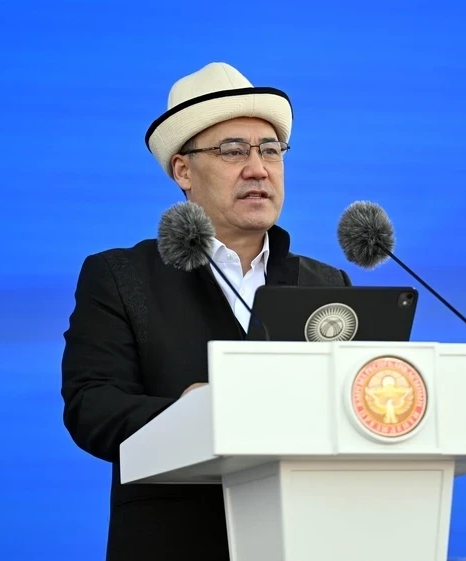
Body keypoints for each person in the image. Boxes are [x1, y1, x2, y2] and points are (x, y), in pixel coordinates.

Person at [60, 62, 352, 561]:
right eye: (233, 151)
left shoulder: (326, 285)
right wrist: (189, 413)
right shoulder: (121, 275)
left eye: (270, 150)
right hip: (175, 540)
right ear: (183, 171)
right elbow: (91, 407)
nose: (258, 168)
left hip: (307, 537)